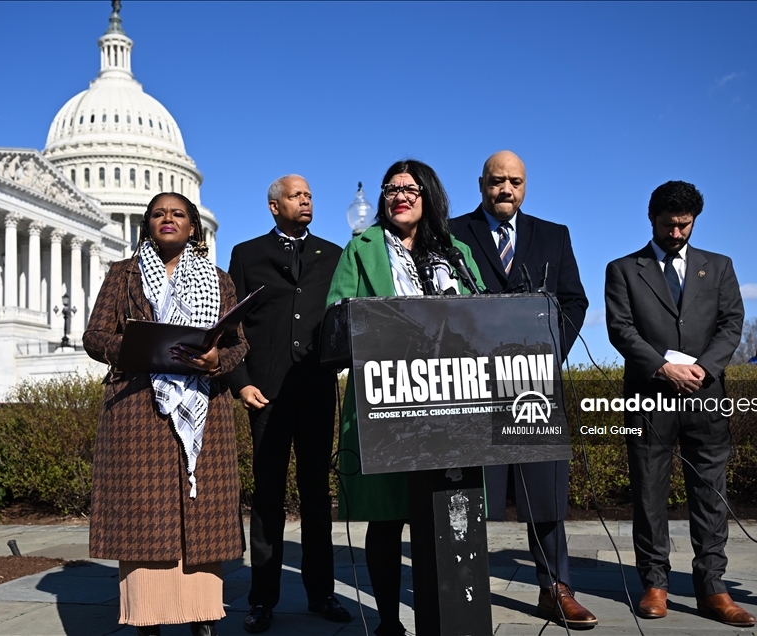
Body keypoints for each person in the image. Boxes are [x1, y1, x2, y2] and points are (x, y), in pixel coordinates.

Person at [327, 159, 481, 636]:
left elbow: (480, 316)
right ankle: (390, 622)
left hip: (449, 403)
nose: (400, 196)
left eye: (410, 189)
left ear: (428, 195)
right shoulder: (362, 247)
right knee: (387, 518)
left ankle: (445, 618)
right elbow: (336, 314)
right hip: (386, 402)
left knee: (441, 514)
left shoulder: (455, 250)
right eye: (391, 189)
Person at [84, 192, 248, 636]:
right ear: (147, 225)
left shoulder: (220, 280)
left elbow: (237, 343)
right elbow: (96, 336)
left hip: (203, 409)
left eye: (178, 213)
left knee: (200, 512)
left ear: (193, 226)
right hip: (139, 407)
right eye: (158, 214)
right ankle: (147, 619)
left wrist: (218, 363)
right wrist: (140, 348)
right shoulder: (124, 275)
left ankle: (201, 616)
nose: (168, 219)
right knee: (143, 516)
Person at [449, 150, 595, 627]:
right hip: (473, 387)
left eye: (514, 181)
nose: (505, 189)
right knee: (467, 495)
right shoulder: (450, 235)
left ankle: (555, 588)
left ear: (526, 185)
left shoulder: (553, 236)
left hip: (534, 385)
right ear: (481, 184)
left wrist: (549, 354)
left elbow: (575, 300)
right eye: (496, 181)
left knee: (544, 493)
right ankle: (461, 589)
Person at [604, 180, 755, 626]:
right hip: (649, 398)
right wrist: (663, 368)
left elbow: (732, 323)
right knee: (649, 491)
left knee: (710, 494)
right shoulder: (624, 269)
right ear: (652, 218)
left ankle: (713, 587)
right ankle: (655, 584)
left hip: (706, 398)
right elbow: (621, 328)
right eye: (669, 225)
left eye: (684, 225)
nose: (676, 233)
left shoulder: (720, 267)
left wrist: (704, 370)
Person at [228, 175, 348, 633]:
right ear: (274, 206)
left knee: (317, 496)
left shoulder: (333, 255)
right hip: (266, 395)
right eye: (297, 196)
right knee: (268, 498)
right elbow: (230, 326)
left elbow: (342, 316)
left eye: (311, 195)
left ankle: (322, 594)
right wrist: (240, 382)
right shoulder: (247, 254)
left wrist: (338, 362)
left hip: (316, 389)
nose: (307, 201)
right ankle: (262, 599)